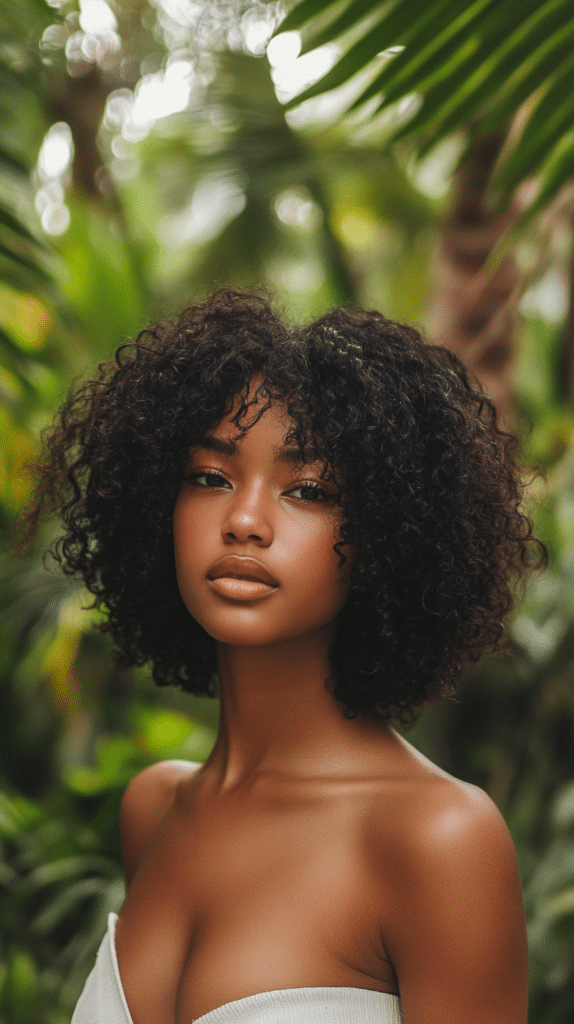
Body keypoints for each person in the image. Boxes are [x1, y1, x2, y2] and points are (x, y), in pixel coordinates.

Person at [28, 287, 544, 1024]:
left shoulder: (435, 839)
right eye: (209, 477)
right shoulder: (157, 809)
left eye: (309, 490)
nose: (243, 520)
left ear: (390, 535)